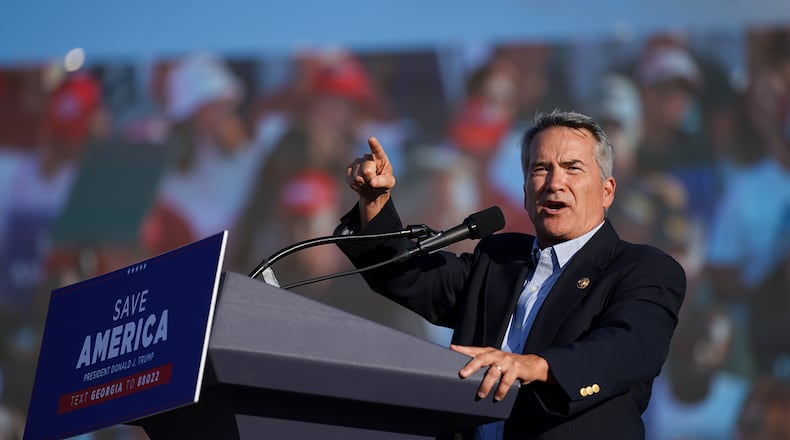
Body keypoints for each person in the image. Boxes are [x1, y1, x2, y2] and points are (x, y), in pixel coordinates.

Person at [336, 110, 686, 439]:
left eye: (572, 168)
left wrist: (536, 366)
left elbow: (630, 347)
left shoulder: (641, 268)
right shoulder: (498, 259)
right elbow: (407, 275)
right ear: (524, 191)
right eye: (540, 169)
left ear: (607, 191)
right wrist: (375, 203)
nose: (554, 183)